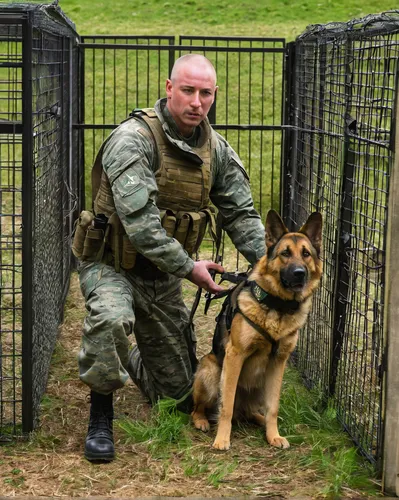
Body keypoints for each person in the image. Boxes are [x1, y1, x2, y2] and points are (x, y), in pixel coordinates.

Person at [74, 54, 266, 462]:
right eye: (188, 90)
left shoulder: (216, 151)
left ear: (214, 96)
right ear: (169, 89)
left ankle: (132, 353)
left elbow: (241, 214)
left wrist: (270, 267)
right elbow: (142, 226)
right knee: (111, 319)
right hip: (111, 265)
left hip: (161, 279)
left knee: (183, 399)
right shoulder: (133, 140)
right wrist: (191, 269)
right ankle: (101, 413)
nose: (196, 102)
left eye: (205, 93)